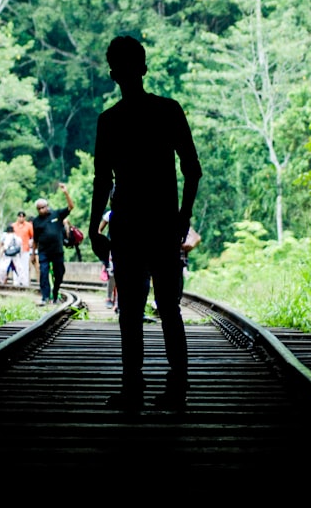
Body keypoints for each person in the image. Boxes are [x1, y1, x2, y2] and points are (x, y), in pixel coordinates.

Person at [88, 35, 202, 412]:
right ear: (144, 68)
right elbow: (192, 170)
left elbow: (102, 180)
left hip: (128, 227)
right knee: (169, 308)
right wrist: (182, 217)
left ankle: (133, 389)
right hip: (163, 224)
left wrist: (93, 228)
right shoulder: (169, 111)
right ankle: (177, 388)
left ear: (112, 73)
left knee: (131, 312)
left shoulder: (110, 121)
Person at [32, 183, 75, 305]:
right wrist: (32, 254)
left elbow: (71, 207)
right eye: (39, 209)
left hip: (57, 251)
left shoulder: (57, 214)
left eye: (43, 207)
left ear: (47, 206)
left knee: (59, 273)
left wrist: (66, 193)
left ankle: (55, 293)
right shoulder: (36, 221)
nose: (41, 210)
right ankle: (45, 297)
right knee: (44, 273)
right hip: (44, 251)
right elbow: (35, 239)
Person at [10, 211, 34, 287]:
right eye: (20, 216)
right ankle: (16, 281)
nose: (21, 218)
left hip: (25, 248)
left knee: (24, 266)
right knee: (16, 265)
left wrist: (31, 243)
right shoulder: (13, 225)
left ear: (24, 217)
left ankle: (24, 282)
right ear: (17, 217)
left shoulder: (28, 226)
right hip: (15, 250)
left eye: (23, 216)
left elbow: (32, 236)